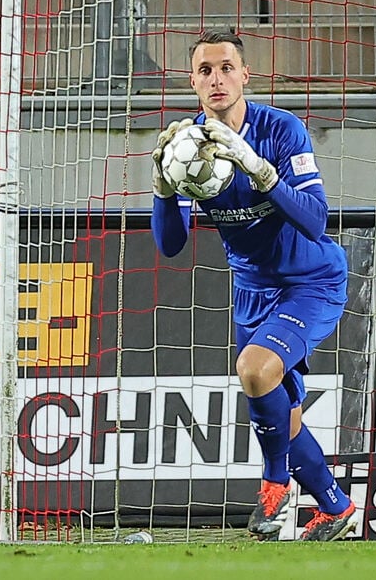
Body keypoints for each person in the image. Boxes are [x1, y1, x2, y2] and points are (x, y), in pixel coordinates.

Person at [150, 29, 357, 542]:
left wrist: (260, 171)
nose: (216, 79)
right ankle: (335, 506)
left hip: (311, 279)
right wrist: (161, 189)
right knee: (278, 406)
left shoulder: (282, 130)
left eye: (226, 68)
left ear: (245, 74)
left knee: (254, 369)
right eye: (205, 70)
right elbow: (170, 244)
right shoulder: (186, 148)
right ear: (192, 81)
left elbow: (314, 219)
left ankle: (274, 487)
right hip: (251, 289)